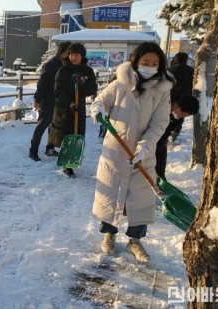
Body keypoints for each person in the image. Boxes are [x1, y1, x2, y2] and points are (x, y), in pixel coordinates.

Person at [90, 42, 175, 263]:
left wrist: (145, 147)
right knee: (112, 193)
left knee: (141, 198)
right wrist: (98, 109)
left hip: (142, 153)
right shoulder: (120, 84)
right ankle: (109, 234)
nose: (150, 66)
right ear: (136, 61)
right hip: (116, 151)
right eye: (145, 62)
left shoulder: (162, 91)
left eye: (155, 63)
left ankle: (135, 241)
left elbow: (160, 123)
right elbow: (101, 100)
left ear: (161, 65)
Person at [49, 42, 98, 177]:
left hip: (79, 108)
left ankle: (72, 161)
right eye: (71, 54)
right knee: (66, 136)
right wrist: (69, 102)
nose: (73, 57)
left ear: (82, 56)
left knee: (77, 134)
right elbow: (58, 91)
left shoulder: (87, 71)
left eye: (77, 55)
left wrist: (82, 83)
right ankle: (67, 164)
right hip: (64, 109)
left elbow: (92, 89)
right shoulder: (63, 71)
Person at [28, 41, 72, 161]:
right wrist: (37, 99)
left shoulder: (64, 64)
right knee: (42, 124)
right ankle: (33, 151)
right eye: (69, 51)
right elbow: (42, 82)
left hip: (58, 100)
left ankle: (50, 148)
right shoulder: (51, 64)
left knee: (54, 126)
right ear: (64, 52)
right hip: (47, 99)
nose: (71, 54)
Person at [155, 95, 200, 179]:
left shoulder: (177, 119)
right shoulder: (161, 103)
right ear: (177, 106)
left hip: (158, 141)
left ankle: (160, 180)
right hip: (140, 136)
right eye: (183, 114)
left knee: (161, 152)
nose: (183, 117)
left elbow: (164, 136)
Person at [167, 52, 194, 141]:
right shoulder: (191, 70)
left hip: (171, 96)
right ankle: (175, 132)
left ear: (176, 59)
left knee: (168, 114)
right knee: (181, 115)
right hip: (185, 97)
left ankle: (167, 132)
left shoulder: (170, 70)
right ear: (186, 60)